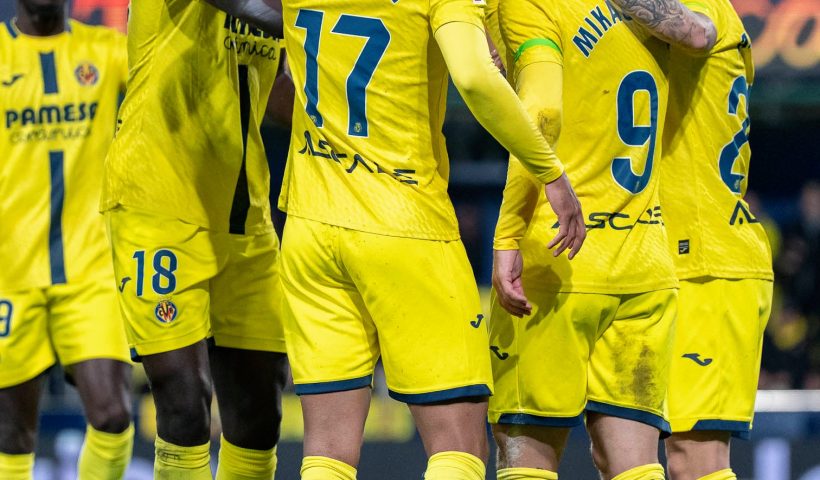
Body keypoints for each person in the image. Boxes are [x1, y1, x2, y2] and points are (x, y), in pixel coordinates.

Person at [277, 0, 587, 479]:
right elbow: (475, 79)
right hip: (405, 222)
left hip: (310, 224)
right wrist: (549, 172)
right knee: (458, 447)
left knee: (327, 453)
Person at [486, 0, 716, 478]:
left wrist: (508, 232)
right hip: (644, 267)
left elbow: (541, 113)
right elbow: (701, 34)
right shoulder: (640, 10)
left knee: (526, 458)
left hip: (558, 259)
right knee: (634, 467)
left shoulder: (530, 7)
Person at [101, 0, 293, 477]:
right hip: (159, 203)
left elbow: (279, 94)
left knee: (260, 414)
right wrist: (312, 16)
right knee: (185, 400)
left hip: (244, 216)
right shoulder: (286, 8)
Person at [609, 0, 774, 478]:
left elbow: (695, 32)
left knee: (694, 460)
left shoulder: (706, 8)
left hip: (711, 262)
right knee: (620, 454)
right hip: (659, 259)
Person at [0, 1, 134, 478]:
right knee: (13, 434)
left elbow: (164, 85)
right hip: (10, 274)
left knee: (113, 417)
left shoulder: (106, 50)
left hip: (89, 269)